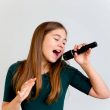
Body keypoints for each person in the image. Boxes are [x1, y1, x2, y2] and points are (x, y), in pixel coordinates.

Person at [2, 21, 110, 110]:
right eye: (56, 39)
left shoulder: (65, 71)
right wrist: (18, 99)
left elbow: (103, 93)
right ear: (40, 39)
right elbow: (5, 108)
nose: (61, 45)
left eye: (64, 42)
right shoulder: (16, 69)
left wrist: (85, 64)